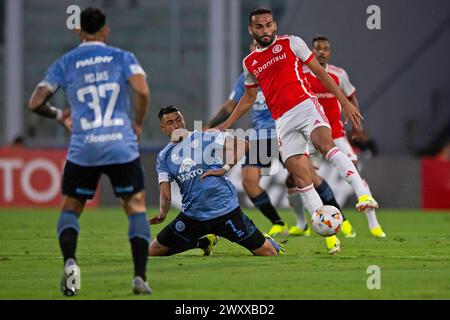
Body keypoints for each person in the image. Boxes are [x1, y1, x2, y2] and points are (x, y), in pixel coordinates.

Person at [216, 8, 379, 254]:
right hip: (281, 121)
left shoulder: (292, 43)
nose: (265, 30)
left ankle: (363, 194)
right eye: (259, 27)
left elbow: (321, 72)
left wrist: (344, 102)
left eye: (268, 25)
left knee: (325, 145)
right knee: (301, 178)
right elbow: (248, 98)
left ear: (274, 25)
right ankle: (328, 235)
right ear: (251, 30)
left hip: (305, 107)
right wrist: (228, 123)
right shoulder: (250, 62)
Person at [28, 7, 152, 296]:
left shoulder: (65, 62)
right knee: (134, 206)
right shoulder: (123, 57)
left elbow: (35, 102)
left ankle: (71, 263)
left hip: (84, 147)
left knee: (71, 208)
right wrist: (137, 123)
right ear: (106, 30)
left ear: (78, 30)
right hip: (121, 143)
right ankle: (139, 277)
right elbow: (143, 90)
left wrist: (60, 115)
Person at [148, 106, 285, 257]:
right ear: (163, 128)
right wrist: (163, 213)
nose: (176, 125)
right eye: (170, 122)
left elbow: (243, 144)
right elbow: (165, 194)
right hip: (193, 217)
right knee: (152, 251)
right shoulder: (163, 157)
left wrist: (225, 168)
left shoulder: (205, 137)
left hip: (225, 212)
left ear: (183, 120)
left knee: (269, 253)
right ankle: (203, 243)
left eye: (178, 120)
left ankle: (266, 240)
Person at [302, 35, 385, 238]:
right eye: (317, 48)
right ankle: (305, 224)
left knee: (355, 173)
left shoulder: (339, 74)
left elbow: (351, 96)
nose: (321, 51)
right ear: (311, 51)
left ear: (329, 52)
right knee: (300, 178)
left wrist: (357, 124)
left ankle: (374, 225)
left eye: (325, 48)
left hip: (336, 135)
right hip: (310, 135)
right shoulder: (302, 74)